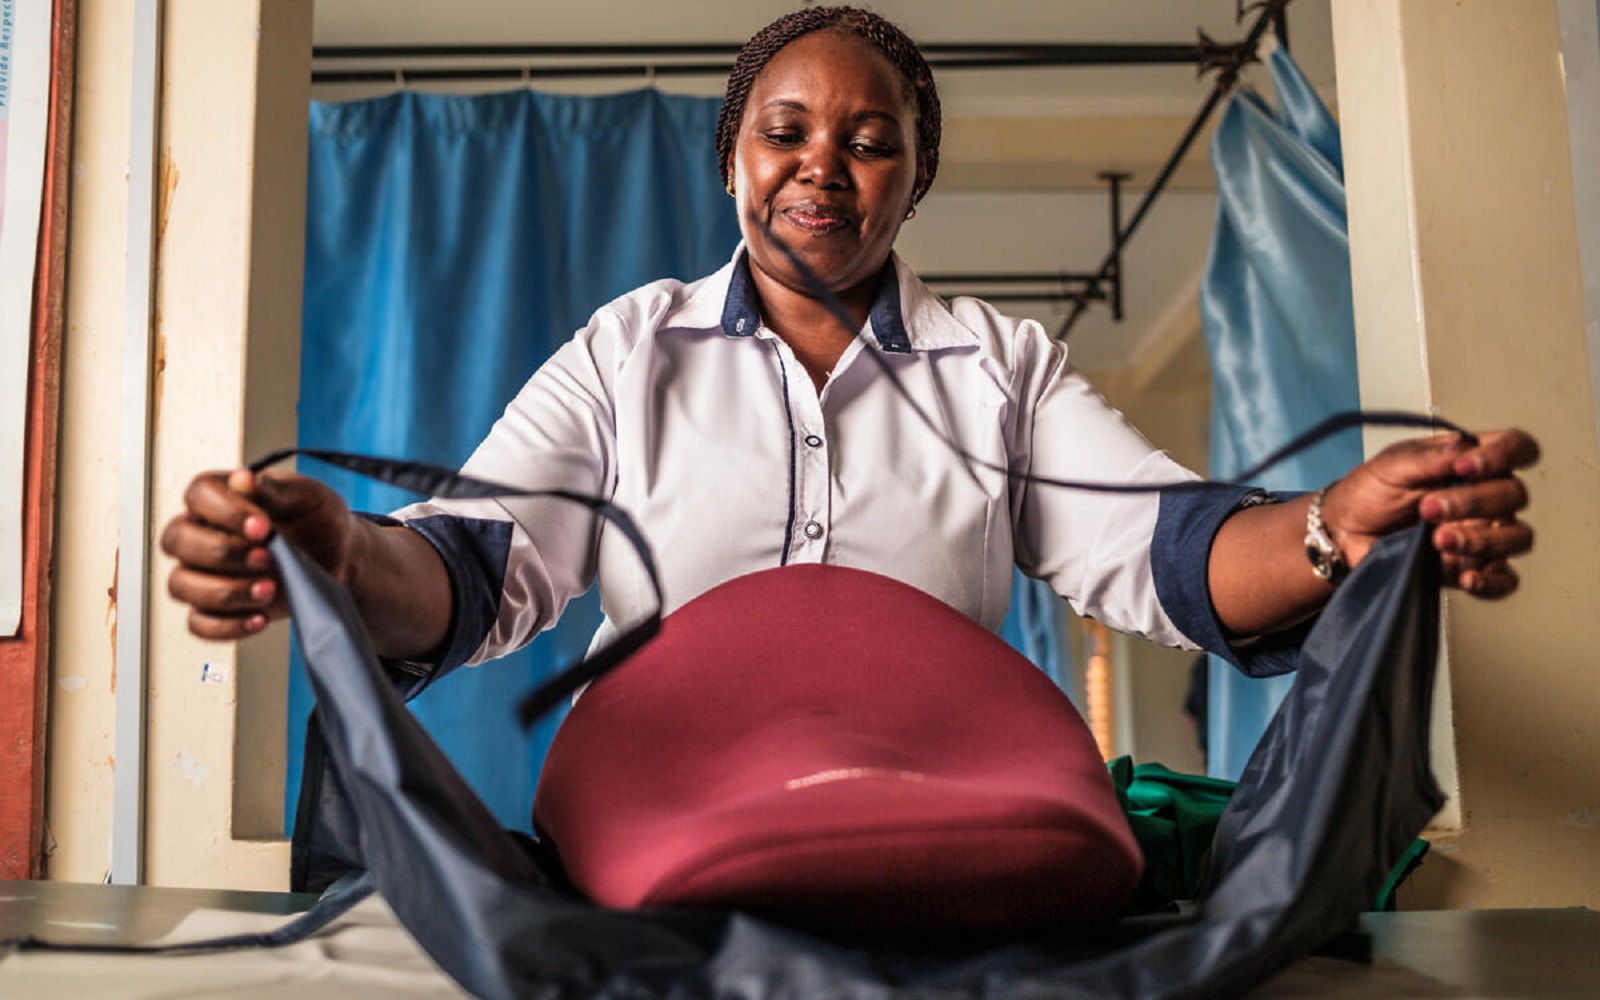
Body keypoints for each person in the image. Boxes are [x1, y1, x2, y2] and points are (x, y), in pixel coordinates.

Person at [161, 6, 1537, 691]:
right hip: (663, 823)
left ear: (912, 184)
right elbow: (475, 567)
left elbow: (1167, 549)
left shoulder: (1000, 369)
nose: (823, 165)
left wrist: (1335, 530)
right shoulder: (627, 353)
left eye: (870, 142)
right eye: (786, 133)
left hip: (938, 822)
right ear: (733, 162)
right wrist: (345, 560)